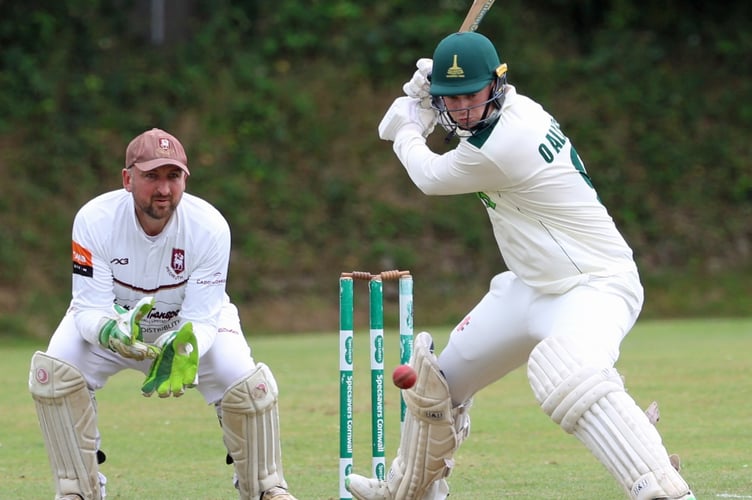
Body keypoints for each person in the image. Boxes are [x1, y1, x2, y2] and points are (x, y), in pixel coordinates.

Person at [346, 32, 696, 500]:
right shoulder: (509, 114)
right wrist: (429, 99)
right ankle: (407, 490)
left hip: (595, 285)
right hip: (529, 286)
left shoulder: (506, 142)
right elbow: (460, 130)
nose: (463, 110)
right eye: (452, 99)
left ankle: (665, 491)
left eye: (472, 95)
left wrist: (408, 127)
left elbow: (429, 176)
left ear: (498, 84)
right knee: (436, 385)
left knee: (566, 371)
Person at [28, 128, 298, 500]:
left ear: (186, 179)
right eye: (151, 176)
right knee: (53, 375)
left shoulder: (210, 226)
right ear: (127, 179)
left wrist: (185, 344)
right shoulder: (94, 219)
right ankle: (77, 491)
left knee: (246, 385)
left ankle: (266, 488)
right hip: (114, 326)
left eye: (173, 176)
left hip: (186, 327)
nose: (164, 189)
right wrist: (110, 332)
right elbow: (89, 307)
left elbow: (204, 316)